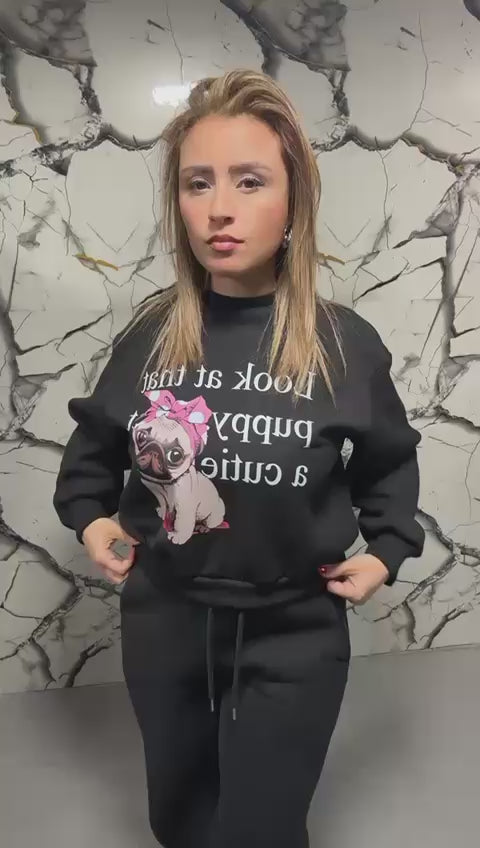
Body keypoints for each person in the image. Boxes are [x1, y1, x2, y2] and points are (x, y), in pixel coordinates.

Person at [53, 69, 425, 848]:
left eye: (249, 181)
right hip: (166, 619)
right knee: (178, 816)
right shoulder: (151, 336)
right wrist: (92, 523)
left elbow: (389, 461)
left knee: (264, 824)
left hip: (295, 627)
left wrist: (386, 550)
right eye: (198, 183)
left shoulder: (344, 345)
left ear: (294, 202)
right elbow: (91, 454)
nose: (219, 208)